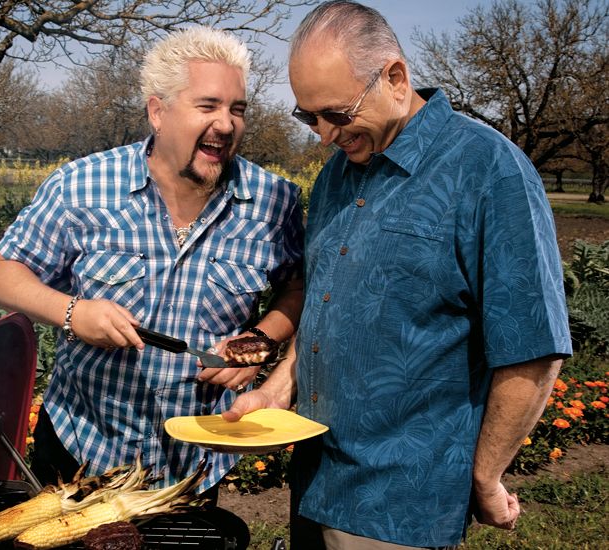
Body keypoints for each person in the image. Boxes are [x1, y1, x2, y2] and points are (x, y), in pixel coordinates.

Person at [222, 1, 572, 548]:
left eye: (336, 114)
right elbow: (328, 305)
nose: (322, 136)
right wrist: (276, 390)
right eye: (307, 117)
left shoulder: (488, 169)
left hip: (401, 502)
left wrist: (485, 476)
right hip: (316, 481)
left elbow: (532, 346)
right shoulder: (340, 170)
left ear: (396, 77)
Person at [0, 26, 304, 495]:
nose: (227, 124)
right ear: (158, 112)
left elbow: (299, 288)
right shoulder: (83, 185)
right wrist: (73, 312)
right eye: (208, 106)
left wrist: (260, 338)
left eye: (238, 109)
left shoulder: (274, 202)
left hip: (194, 460)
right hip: (81, 447)